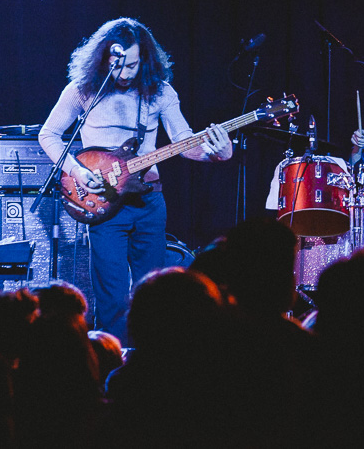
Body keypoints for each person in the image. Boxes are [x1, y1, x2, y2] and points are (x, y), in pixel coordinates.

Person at [39, 18, 232, 344]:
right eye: (118, 65)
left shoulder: (159, 92)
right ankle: (111, 369)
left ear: (145, 59)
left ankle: (152, 365)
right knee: (111, 296)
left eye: (133, 64)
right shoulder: (83, 90)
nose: (126, 72)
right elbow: (49, 135)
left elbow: (183, 140)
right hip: (102, 205)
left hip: (148, 202)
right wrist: (78, 171)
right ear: (103, 58)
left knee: (153, 293)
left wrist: (216, 153)